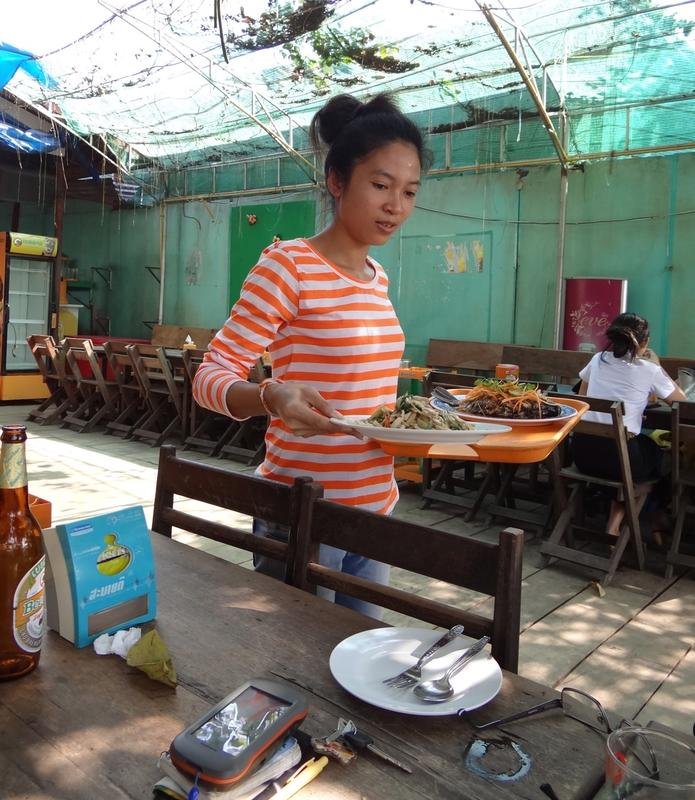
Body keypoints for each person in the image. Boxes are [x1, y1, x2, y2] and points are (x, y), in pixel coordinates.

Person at [192, 92, 427, 619]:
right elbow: (209, 375)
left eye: (410, 191)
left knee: (360, 655)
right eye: (381, 185)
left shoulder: (378, 279)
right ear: (337, 181)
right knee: (294, 660)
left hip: (375, 508)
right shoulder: (289, 266)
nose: (396, 205)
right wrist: (270, 395)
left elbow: (367, 399)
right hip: (302, 512)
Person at [572, 312, 686, 537]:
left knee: (630, 460)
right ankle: (656, 514)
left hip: (582, 454)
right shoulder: (649, 370)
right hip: (619, 460)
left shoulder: (597, 360)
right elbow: (682, 403)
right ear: (645, 342)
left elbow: (583, 400)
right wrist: (655, 367)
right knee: (665, 459)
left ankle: (617, 522)